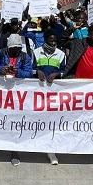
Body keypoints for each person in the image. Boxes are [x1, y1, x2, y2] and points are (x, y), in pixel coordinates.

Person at [62, 27, 93, 164]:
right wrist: (72, 27)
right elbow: (62, 39)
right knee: (73, 116)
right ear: (89, 35)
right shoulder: (78, 43)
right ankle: (70, 142)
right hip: (76, 86)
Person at [0, 33, 33, 166]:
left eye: (18, 49)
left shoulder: (25, 57)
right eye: (13, 49)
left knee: (16, 120)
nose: (16, 51)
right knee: (0, 118)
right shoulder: (1, 54)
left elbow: (29, 73)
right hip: (1, 93)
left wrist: (16, 72)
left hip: (18, 95)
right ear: (8, 48)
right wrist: (2, 69)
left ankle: (15, 150)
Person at [34, 31, 66, 165]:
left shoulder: (61, 54)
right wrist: (37, 71)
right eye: (50, 41)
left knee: (51, 120)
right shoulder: (36, 52)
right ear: (45, 40)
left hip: (54, 93)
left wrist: (57, 74)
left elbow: (65, 70)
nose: (53, 43)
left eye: (55, 41)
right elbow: (30, 68)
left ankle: (51, 150)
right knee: (37, 119)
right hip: (39, 92)